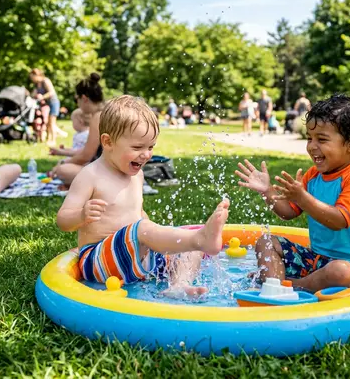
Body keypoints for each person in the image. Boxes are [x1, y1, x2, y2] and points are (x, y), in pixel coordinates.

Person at [56, 95, 230, 297]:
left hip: (135, 260)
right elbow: (62, 220)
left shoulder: (137, 175)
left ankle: (179, 285)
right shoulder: (90, 175)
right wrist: (81, 215)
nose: (146, 154)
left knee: (188, 248)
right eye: (138, 147)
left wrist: (162, 237)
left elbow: (137, 214)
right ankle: (200, 238)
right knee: (152, 231)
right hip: (99, 260)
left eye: (151, 147)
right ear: (108, 142)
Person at [236, 94, 350, 292]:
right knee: (267, 241)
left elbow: (339, 220)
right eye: (309, 138)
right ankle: (273, 288)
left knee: (338, 272)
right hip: (315, 260)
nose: (312, 146)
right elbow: (288, 213)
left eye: (322, 139)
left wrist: (303, 197)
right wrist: (267, 191)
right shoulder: (313, 175)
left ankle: (291, 286)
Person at [49, 73, 104, 185]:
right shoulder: (108, 110)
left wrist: (63, 164)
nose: (77, 104)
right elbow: (89, 150)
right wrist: (62, 154)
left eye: (76, 100)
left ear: (84, 98)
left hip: (108, 173)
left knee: (63, 170)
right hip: (120, 169)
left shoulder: (97, 117)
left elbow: (86, 156)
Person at [29, 68, 64, 146]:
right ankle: (48, 139)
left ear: (37, 75)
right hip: (47, 105)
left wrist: (42, 97)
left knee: (52, 123)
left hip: (54, 103)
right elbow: (33, 93)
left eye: (32, 77)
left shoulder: (45, 81)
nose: (31, 79)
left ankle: (53, 140)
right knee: (47, 122)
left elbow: (52, 92)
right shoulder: (37, 84)